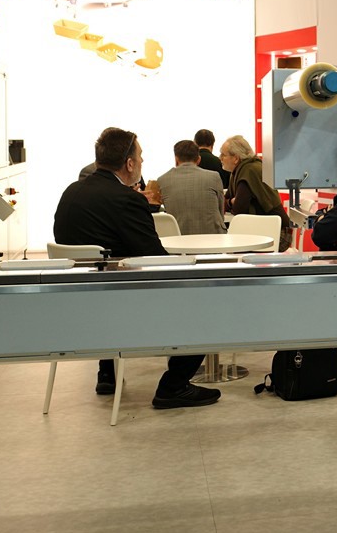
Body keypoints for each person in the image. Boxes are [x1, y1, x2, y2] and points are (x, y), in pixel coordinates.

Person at [53, 127, 221, 409]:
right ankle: (174, 386)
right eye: (140, 157)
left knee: (107, 282)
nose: (143, 161)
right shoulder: (127, 200)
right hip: (122, 307)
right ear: (129, 164)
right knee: (206, 301)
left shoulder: (71, 192)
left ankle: (107, 371)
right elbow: (155, 258)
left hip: (77, 305)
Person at [219, 134, 292, 250]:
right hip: (262, 230)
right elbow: (224, 201)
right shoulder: (240, 171)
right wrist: (231, 202)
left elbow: (239, 209)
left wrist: (231, 203)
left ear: (236, 158)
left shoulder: (249, 171)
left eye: (223, 154)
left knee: (230, 246)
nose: (220, 158)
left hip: (277, 234)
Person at [152, 139, 226, 236]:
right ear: (198, 160)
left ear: (176, 160)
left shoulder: (162, 180)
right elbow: (221, 211)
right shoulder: (214, 177)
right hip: (213, 237)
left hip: (178, 238)